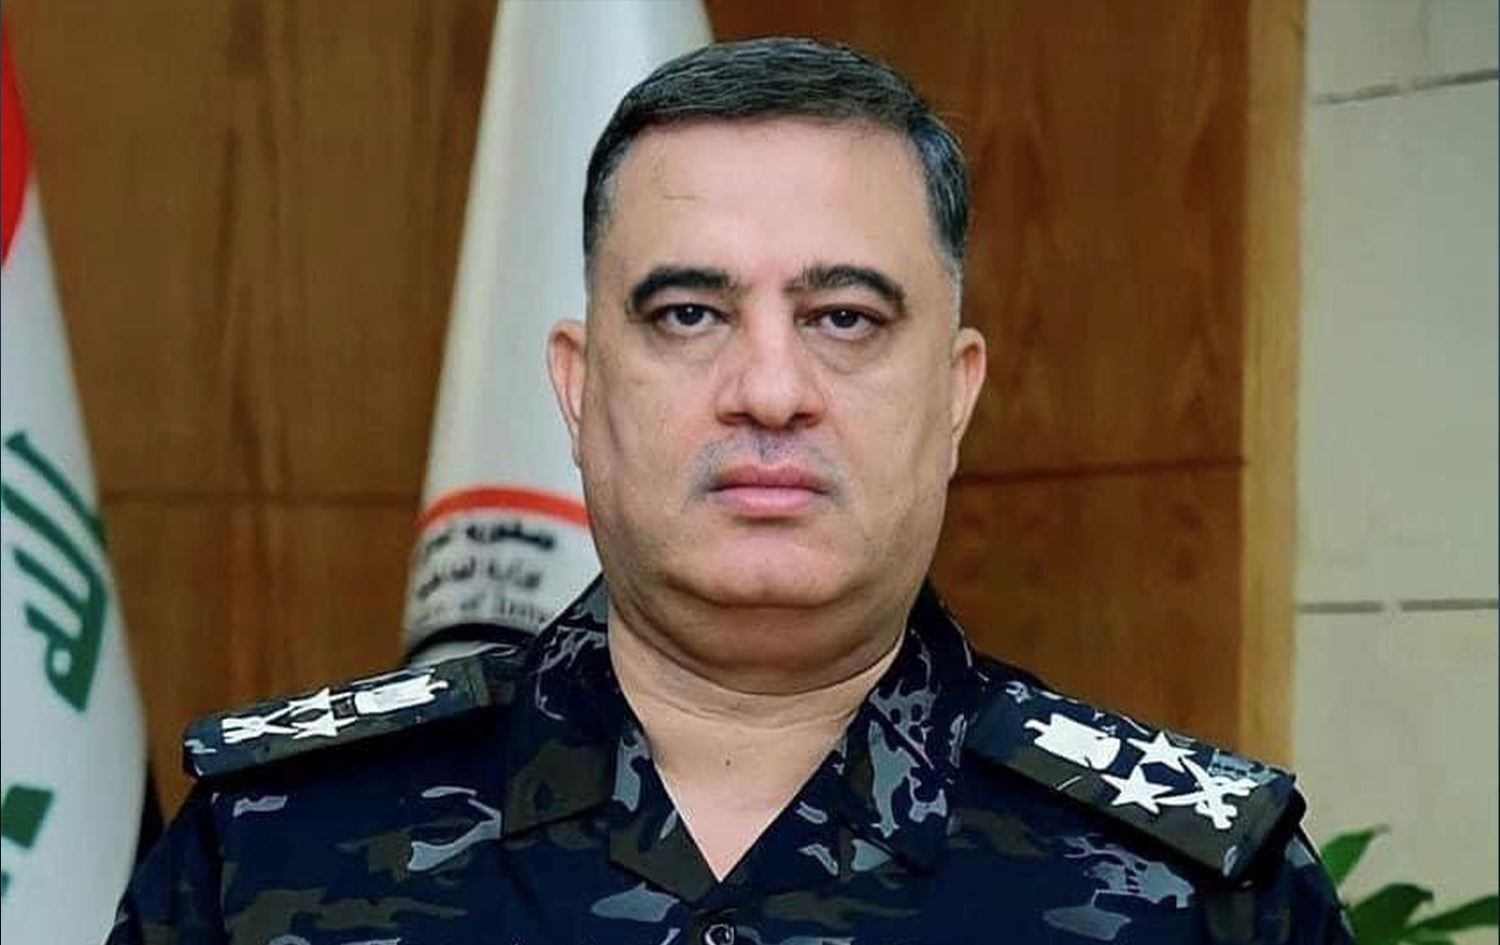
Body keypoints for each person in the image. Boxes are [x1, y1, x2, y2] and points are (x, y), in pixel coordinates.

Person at [106, 38, 1352, 945]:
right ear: (579, 387)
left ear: (955, 392)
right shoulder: (268, 847)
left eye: (845, 316)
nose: (769, 390)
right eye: (689, 313)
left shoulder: (1204, 892)